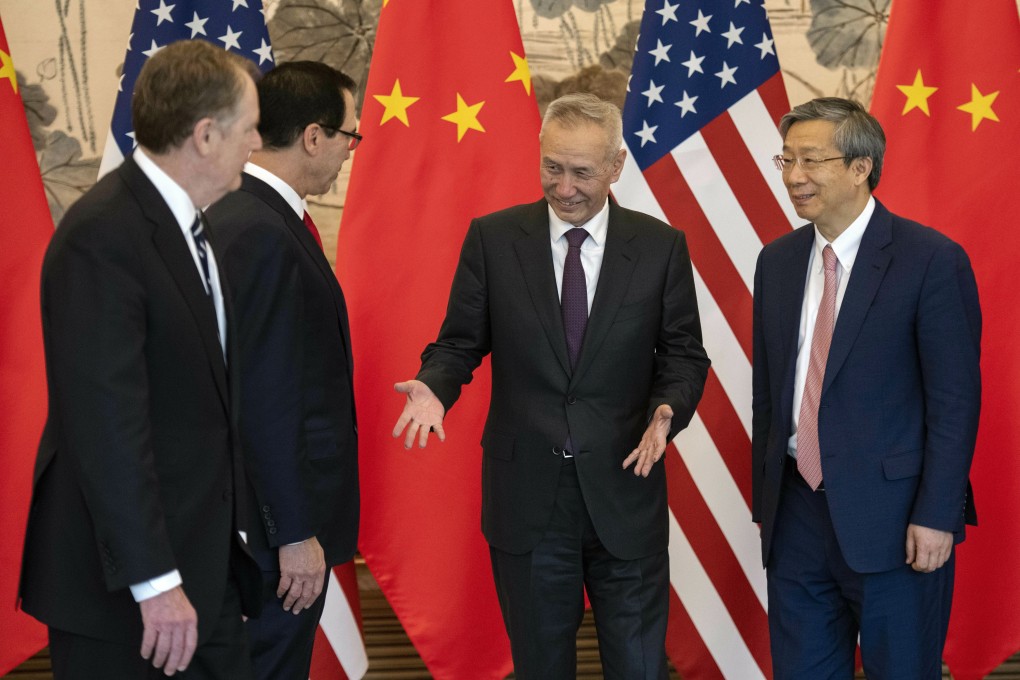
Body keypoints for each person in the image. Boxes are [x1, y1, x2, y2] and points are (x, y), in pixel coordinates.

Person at [392, 92, 710, 679]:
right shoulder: (493, 238)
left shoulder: (661, 246)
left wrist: (669, 408)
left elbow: (685, 355)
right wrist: (436, 385)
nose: (564, 187)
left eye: (583, 172)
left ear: (615, 167)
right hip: (528, 500)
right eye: (553, 167)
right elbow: (460, 342)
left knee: (640, 669)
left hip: (625, 492)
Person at [19, 40, 263, 679]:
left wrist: (217, 568)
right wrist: (156, 584)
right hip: (127, 595)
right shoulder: (104, 236)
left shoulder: (190, 225)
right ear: (206, 136)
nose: (258, 142)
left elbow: (202, 410)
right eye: (250, 126)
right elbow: (107, 427)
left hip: (200, 578)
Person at [751, 97, 981, 678]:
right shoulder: (775, 262)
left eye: (811, 160)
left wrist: (937, 514)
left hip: (896, 522)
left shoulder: (930, 260)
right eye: (786, 161)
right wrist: (768, 504)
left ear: (861, 167)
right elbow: (770, 392)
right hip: (796, 520)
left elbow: (955, 402)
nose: (794, 177)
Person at [205, 61, 360, 680]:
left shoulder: (250, 213)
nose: (351, 152)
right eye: (351, 135)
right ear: (314, 136)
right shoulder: (259, 229)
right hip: (270, 540)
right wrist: (293, 533)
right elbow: (263, 396)